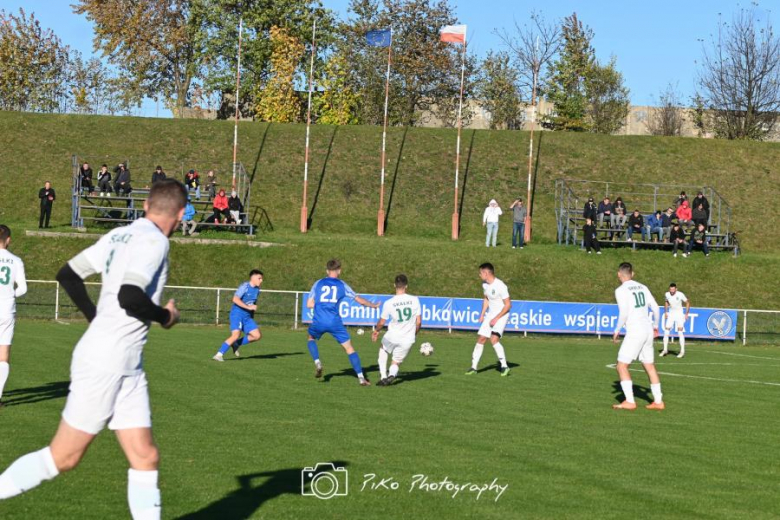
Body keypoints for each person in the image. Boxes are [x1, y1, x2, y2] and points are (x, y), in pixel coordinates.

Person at [0, 179, 186, 519]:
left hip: (128, 364)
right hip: (106, 362)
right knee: (63, 457)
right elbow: (129, 297)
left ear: (146, 206)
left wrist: (95, 319)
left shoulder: (120, 234)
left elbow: (68, 274)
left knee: (145, 457)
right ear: (182, 213)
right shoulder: (155, 241)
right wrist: (166, 316)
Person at [306, 259, 379, 386]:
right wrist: (373, 305)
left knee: (311, 338)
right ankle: (361, 378)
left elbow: (309, 304)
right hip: (335, 321)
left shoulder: (318, 283)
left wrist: (321, 306)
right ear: (339, 271)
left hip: (319, 319)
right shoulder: (342, 285)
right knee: (349, 348)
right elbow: (359, 300)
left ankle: (317, 362)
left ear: (327, 271)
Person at [612, 262, 664, 411]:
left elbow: (624, 312)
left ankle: (629, 401)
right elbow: (655, 307)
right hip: (647, 329)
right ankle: (658, 401)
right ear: (632, 274)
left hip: (635, 331)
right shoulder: (643, 287)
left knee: (621, 365)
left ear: (618, 274)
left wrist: (617, 330)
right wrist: (655, 326)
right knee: (649, 365)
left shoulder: (620, 290)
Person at [371, 274, 422, 386]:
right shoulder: (414, 300)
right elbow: (418, 322)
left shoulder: (389, 303)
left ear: (394, 285)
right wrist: (414, 334)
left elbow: (381, 322)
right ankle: (392, 375)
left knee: (383, 349)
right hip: (408, 339)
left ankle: (384, 376)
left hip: (393, 336)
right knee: (396, 362)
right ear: (406, 286)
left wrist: (376, 331)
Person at [466, 263, 511, 377]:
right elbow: (486, 299)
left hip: (502, 315)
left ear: (486, 273)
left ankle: (504, 366)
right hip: (490, 315)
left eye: (480, 273)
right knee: (481, 339)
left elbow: (508, 305)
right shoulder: (485, 285)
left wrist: (496, 318)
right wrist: (482, 314)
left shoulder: (501, 286)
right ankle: (473, 367)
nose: (479, 275)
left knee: (494, 339)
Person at [0, 225, 27, 408]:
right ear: (8, 240)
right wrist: (10, 295)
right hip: (6, 309)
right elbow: (23, 289)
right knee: (3, 355)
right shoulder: (15, 260)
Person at [213, 270, 263, 362]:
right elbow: (235, 299)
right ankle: (219, 354)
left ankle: (236, 344)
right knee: (236, 334)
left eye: (262, 278)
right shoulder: (245, 287)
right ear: (253, 277)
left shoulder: (257, 289)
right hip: (237, 314)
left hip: (247, 317)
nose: (261, 280)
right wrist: (249, 307)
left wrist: (251, 312)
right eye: (259, 278)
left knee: (257, 335)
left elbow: (252, 303)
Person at [661, 283, 690, 359]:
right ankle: (665, 350)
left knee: (680, 332)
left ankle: (682, 351)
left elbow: (687, 302)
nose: (672, 291)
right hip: (671, 314)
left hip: (679, 314)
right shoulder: (667, 294)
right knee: (666, 331)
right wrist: (666, 312)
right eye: (670, 289)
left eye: (673, 289)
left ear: (676, 289)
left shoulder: (680, 294)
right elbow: (666, 302)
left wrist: (686, 313)